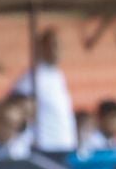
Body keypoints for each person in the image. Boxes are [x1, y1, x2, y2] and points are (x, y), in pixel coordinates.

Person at [12, 29, 79, 160]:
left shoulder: (57, 75)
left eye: (60, 46)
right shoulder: (32, 78)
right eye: (53, 45)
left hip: (64, 146)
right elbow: (16, 107)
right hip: (46, 148)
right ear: (42, 48)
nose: (58, 50)